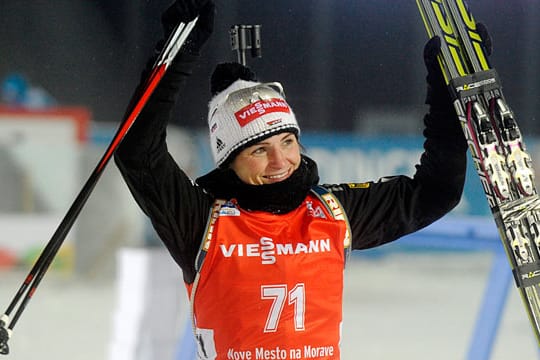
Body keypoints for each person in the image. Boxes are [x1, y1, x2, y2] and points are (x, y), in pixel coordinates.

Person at [114, 1, 469, 358]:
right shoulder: (200, 221)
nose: (279, 161)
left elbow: (437, 191)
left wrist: (446, 92)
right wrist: (178, 50)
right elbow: (137, 152)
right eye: (258, 150)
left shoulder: (330, 212)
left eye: (287, 141)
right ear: (229, 162)